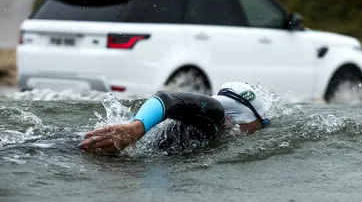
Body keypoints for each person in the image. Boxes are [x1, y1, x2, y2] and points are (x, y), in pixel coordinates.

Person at [79, 82, 270, 154]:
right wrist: (134, 129)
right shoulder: (215, 113)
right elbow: (167, 99)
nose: (262, 126)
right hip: (106, 151)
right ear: (248, 117)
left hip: (104, 148)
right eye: (262, 122)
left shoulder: (209, 122)